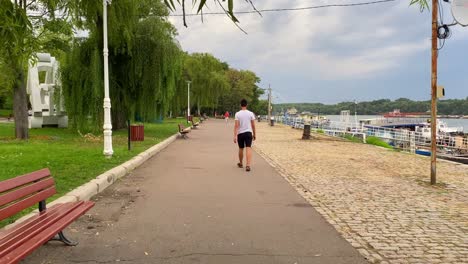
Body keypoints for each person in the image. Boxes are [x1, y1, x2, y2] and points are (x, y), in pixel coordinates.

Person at [233, 99, 256, 172]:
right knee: (248, 148)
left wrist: (235, 136)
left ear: (240, 105)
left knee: (241, 148)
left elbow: (236, 126)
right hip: (248, 133)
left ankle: (240, 163)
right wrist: (254, 134)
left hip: (240, 133)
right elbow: (253, 125)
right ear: (246, 105)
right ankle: (248, 165)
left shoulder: (237, 114)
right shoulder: (251, 113)